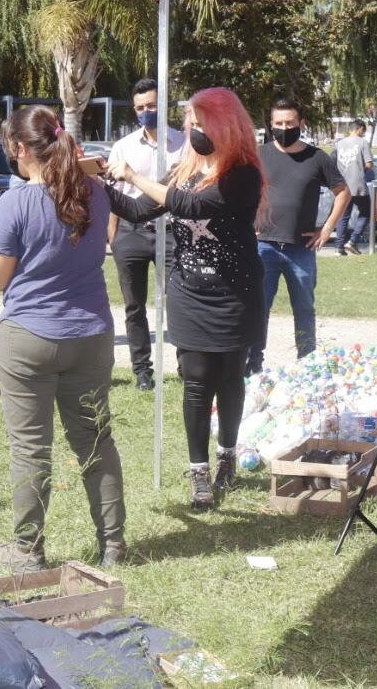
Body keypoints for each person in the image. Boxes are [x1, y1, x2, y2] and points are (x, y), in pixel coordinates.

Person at [0, 105, 126, 570]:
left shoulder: (16, 202)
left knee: (31, 448)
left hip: (28, 335)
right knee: (95, 442)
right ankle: (113, 543)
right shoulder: (95, 192)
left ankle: (28, 550)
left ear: (17, 148)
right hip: (91, 334)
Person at [104, 88, 266, 511]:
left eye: (200, 122)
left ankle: (226, 455)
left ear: (225, 125)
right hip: (189, 294)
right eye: (191, 122)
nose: (193, 130)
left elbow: (192, 207)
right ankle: (199, 473)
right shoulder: (183, 169)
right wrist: (95, 181)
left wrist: (133, 175)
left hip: (234, 293)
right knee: (196, 381)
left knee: (231, 377)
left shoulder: (242, 173)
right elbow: (139, 212)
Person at [246, 98, 349, 375]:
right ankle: (253, 364)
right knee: (258, 309)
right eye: (278, 123)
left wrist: (326, 229)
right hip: (262, 246)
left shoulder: (318, 158)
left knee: (304, 309)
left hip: (301, 249)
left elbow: (343, 192)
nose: (283, 128)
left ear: (301, 123)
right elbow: (241, 191)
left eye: (289, 123)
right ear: (270, 124)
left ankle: (308, 365)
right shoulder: (258, 155)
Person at [106, 77, 185, 391]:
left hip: (173, 232)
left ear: (163, 105)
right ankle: (142, 372)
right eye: (140, 107)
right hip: (132, 233)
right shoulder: (123, 147)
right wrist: (112, 236)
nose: (145, 112)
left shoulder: (184, 143)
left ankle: (185, 365)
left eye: (151, 106)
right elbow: (115, 195)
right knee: (134, 306)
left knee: (179, 300)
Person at [332, 119, 374, 255]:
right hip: (358, 185)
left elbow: (333, 163)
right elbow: (369, 164)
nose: (364, 133)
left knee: (343, 216)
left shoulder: (339, 144)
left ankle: (339, 248)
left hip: (342, 185)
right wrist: (361, 170)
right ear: (360, 128)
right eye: (364, 131)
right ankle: (352, 241)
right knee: (366, 212)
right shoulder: (363, 142)